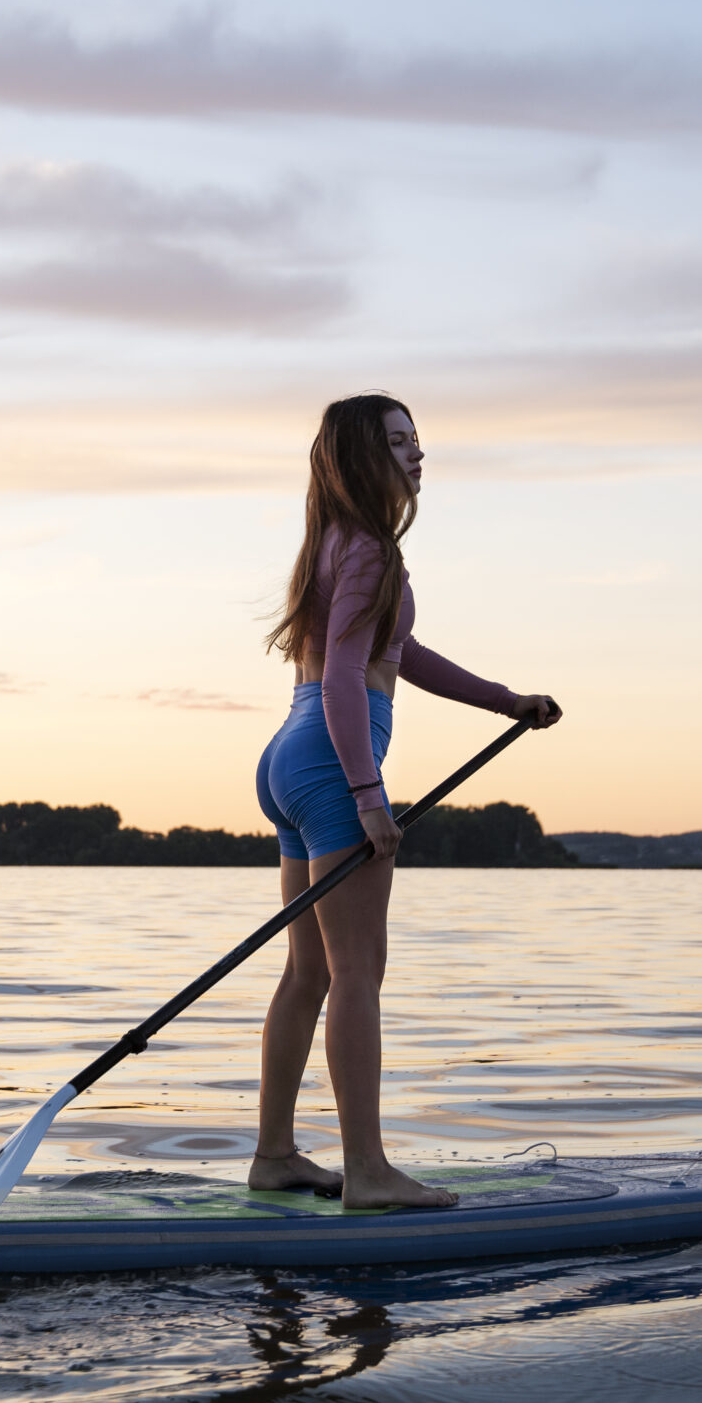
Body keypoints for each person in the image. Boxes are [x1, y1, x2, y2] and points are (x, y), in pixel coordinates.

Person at [250, 393, 562, 1209]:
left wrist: (504, 699)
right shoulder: (372, 552)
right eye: (398, 441)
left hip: (288, 755)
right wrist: (366, 794)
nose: (416, 452)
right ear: (362, 457)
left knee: (308, 970)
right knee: (358, 970)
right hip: (328, 761)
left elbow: (401, 650)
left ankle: (275, 1155)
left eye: (417, 438)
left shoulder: (333, 544)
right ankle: (368, 1171)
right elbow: (352, 674)